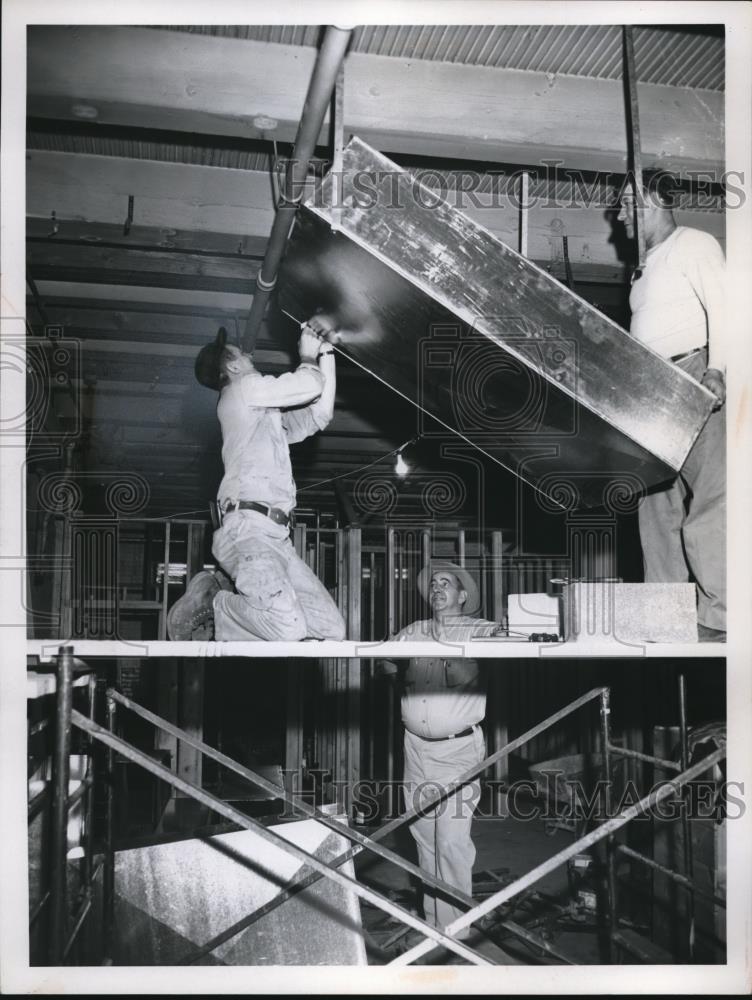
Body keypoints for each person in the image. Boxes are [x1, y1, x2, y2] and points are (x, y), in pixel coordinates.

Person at [167, 319, 346, 642]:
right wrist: (306, 357)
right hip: (248, 530)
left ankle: (240, 609)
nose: (250, 358)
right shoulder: (242, 389)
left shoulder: (260, 415)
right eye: (243, 355)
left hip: (276, 538)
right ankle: (215, 601)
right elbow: (309, 385)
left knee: (330, 629)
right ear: (234, 366)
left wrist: (327, 354)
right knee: (288, 628)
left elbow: (319, 415)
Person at [617, 170, 726, 641]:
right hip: (652, 386)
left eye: (625, 202)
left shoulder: (694, 244)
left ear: (652, 199)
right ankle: (665, 620)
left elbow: (726, 310)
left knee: (713, 497)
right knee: (655, 506)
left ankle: (721, 616)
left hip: (695, 371)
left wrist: (719, 370)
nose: (618, 214)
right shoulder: (642, 269)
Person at [382, 561, 501, 934]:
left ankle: (456, 933)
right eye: (433, 583)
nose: (437, 588)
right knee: (423, 836)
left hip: (457, 751)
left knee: (450, 841)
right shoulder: (414, 630)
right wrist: (399, 669)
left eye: (446, 583)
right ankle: (436, 925)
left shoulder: (481, 630)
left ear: (462, 596)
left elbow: (516, 642)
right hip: (414, 747)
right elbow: (381, 661)